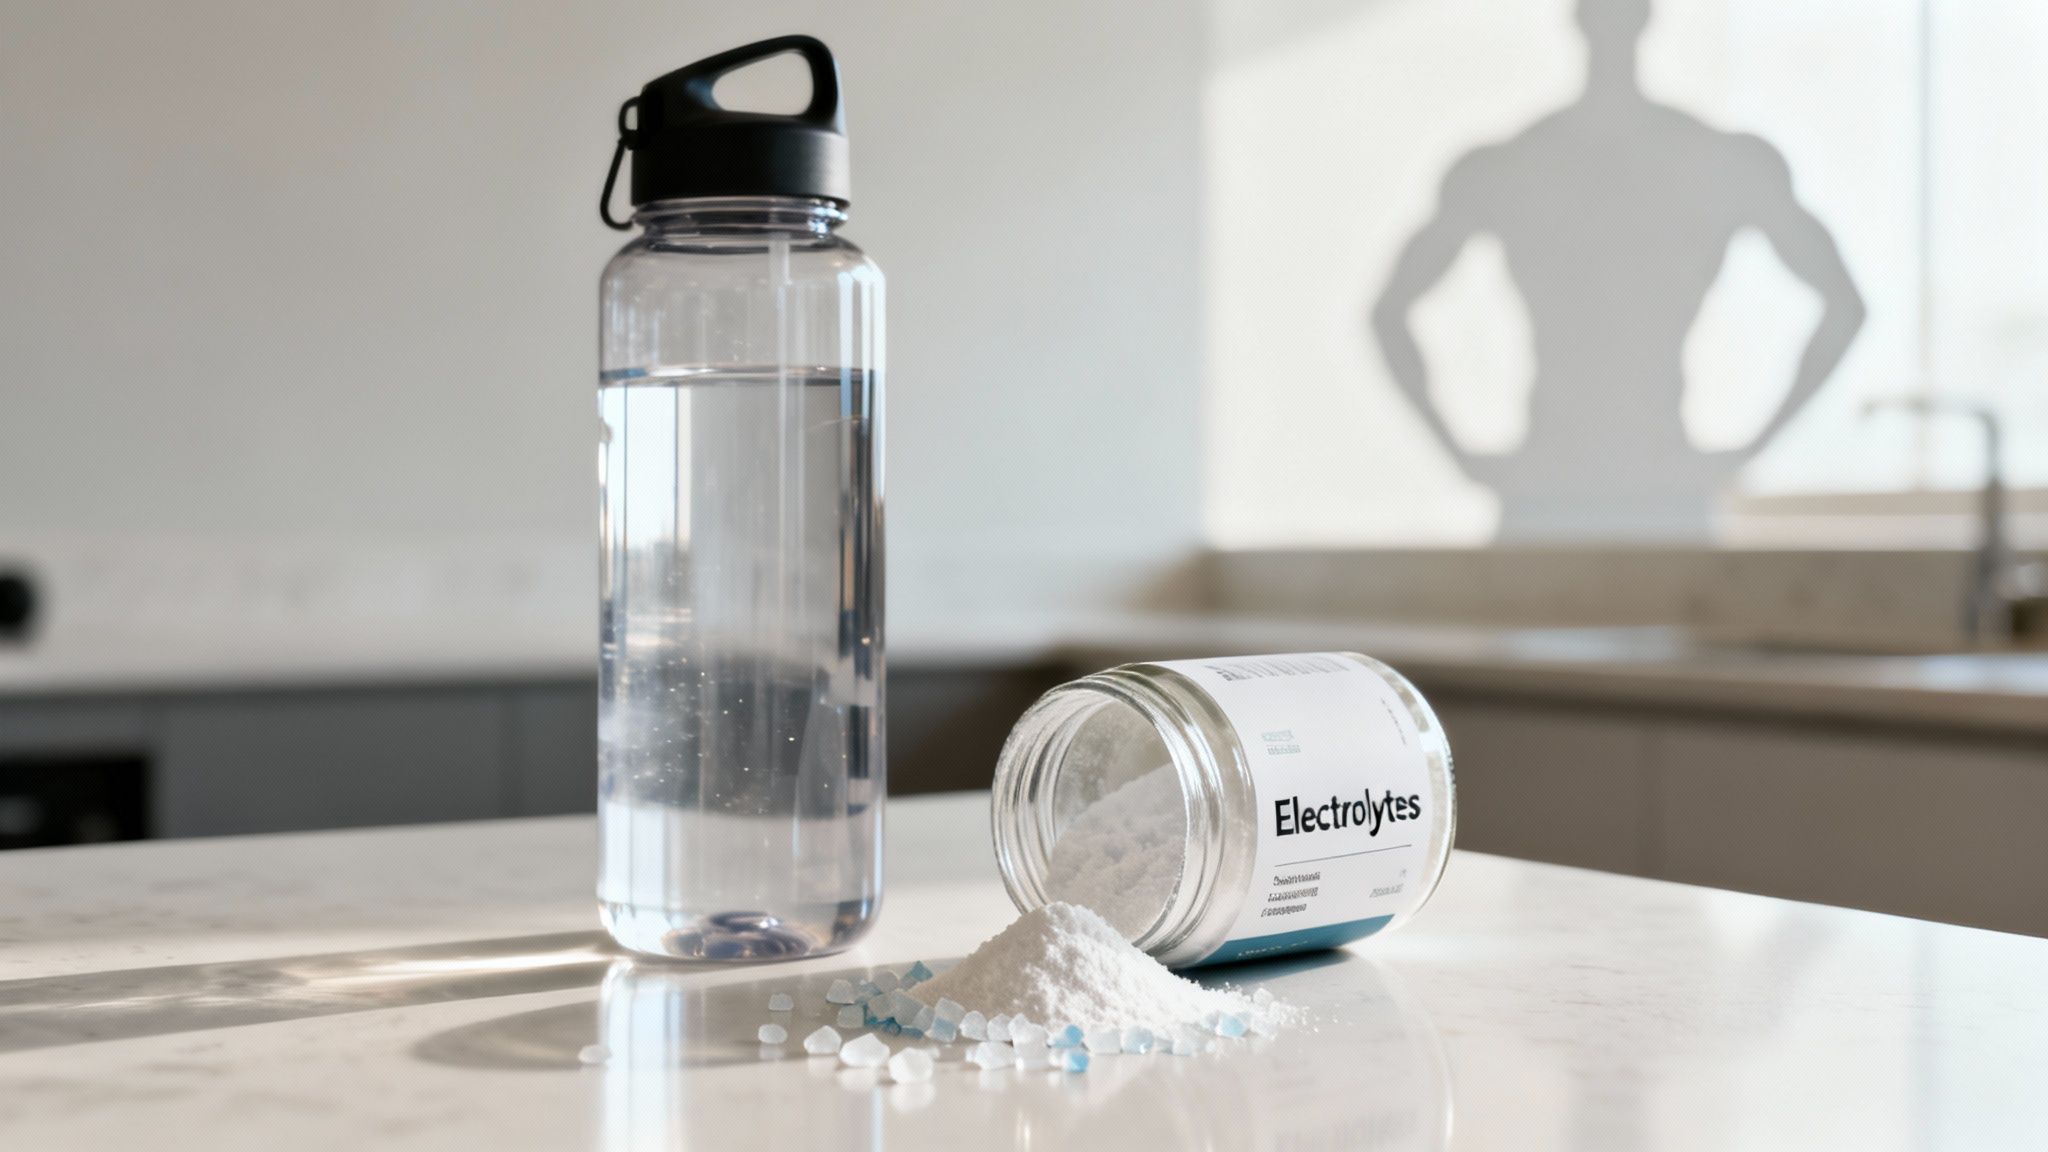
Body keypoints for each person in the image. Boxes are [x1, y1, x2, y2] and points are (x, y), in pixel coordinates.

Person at [1371, 0, 1865, 537]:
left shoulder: (1716, 163)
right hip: (1554, 494)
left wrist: (1752, 449)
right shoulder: (1512, 168)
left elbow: (1843, 305)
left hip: (1655, 491)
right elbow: (1389, 313)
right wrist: (1457, 455)